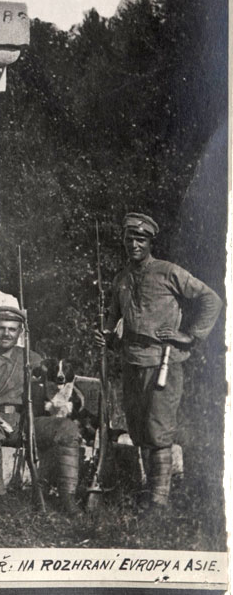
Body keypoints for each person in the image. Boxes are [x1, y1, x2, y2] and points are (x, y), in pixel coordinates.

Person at [96, 212, 223, 509]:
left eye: (140, 239)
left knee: (159, 429)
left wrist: (189, 336)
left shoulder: (168, 272)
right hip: (132, 362)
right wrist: (107, 337)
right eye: (130, 239)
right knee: (139, 429)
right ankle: (146, 489)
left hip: (162, 362)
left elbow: (211, 299)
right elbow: (114, 319)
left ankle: (158, 502)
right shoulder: (121, 279)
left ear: (150, 242)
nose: (134, 245)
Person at [0, 305, 81, 513]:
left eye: (12, 329)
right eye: (1, 328)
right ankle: (0, 498)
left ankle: (67, 498)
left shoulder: (32, 359)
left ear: (20, 332)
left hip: (29, 420)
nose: (6, 333)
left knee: (67, 428)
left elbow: (61, 379)